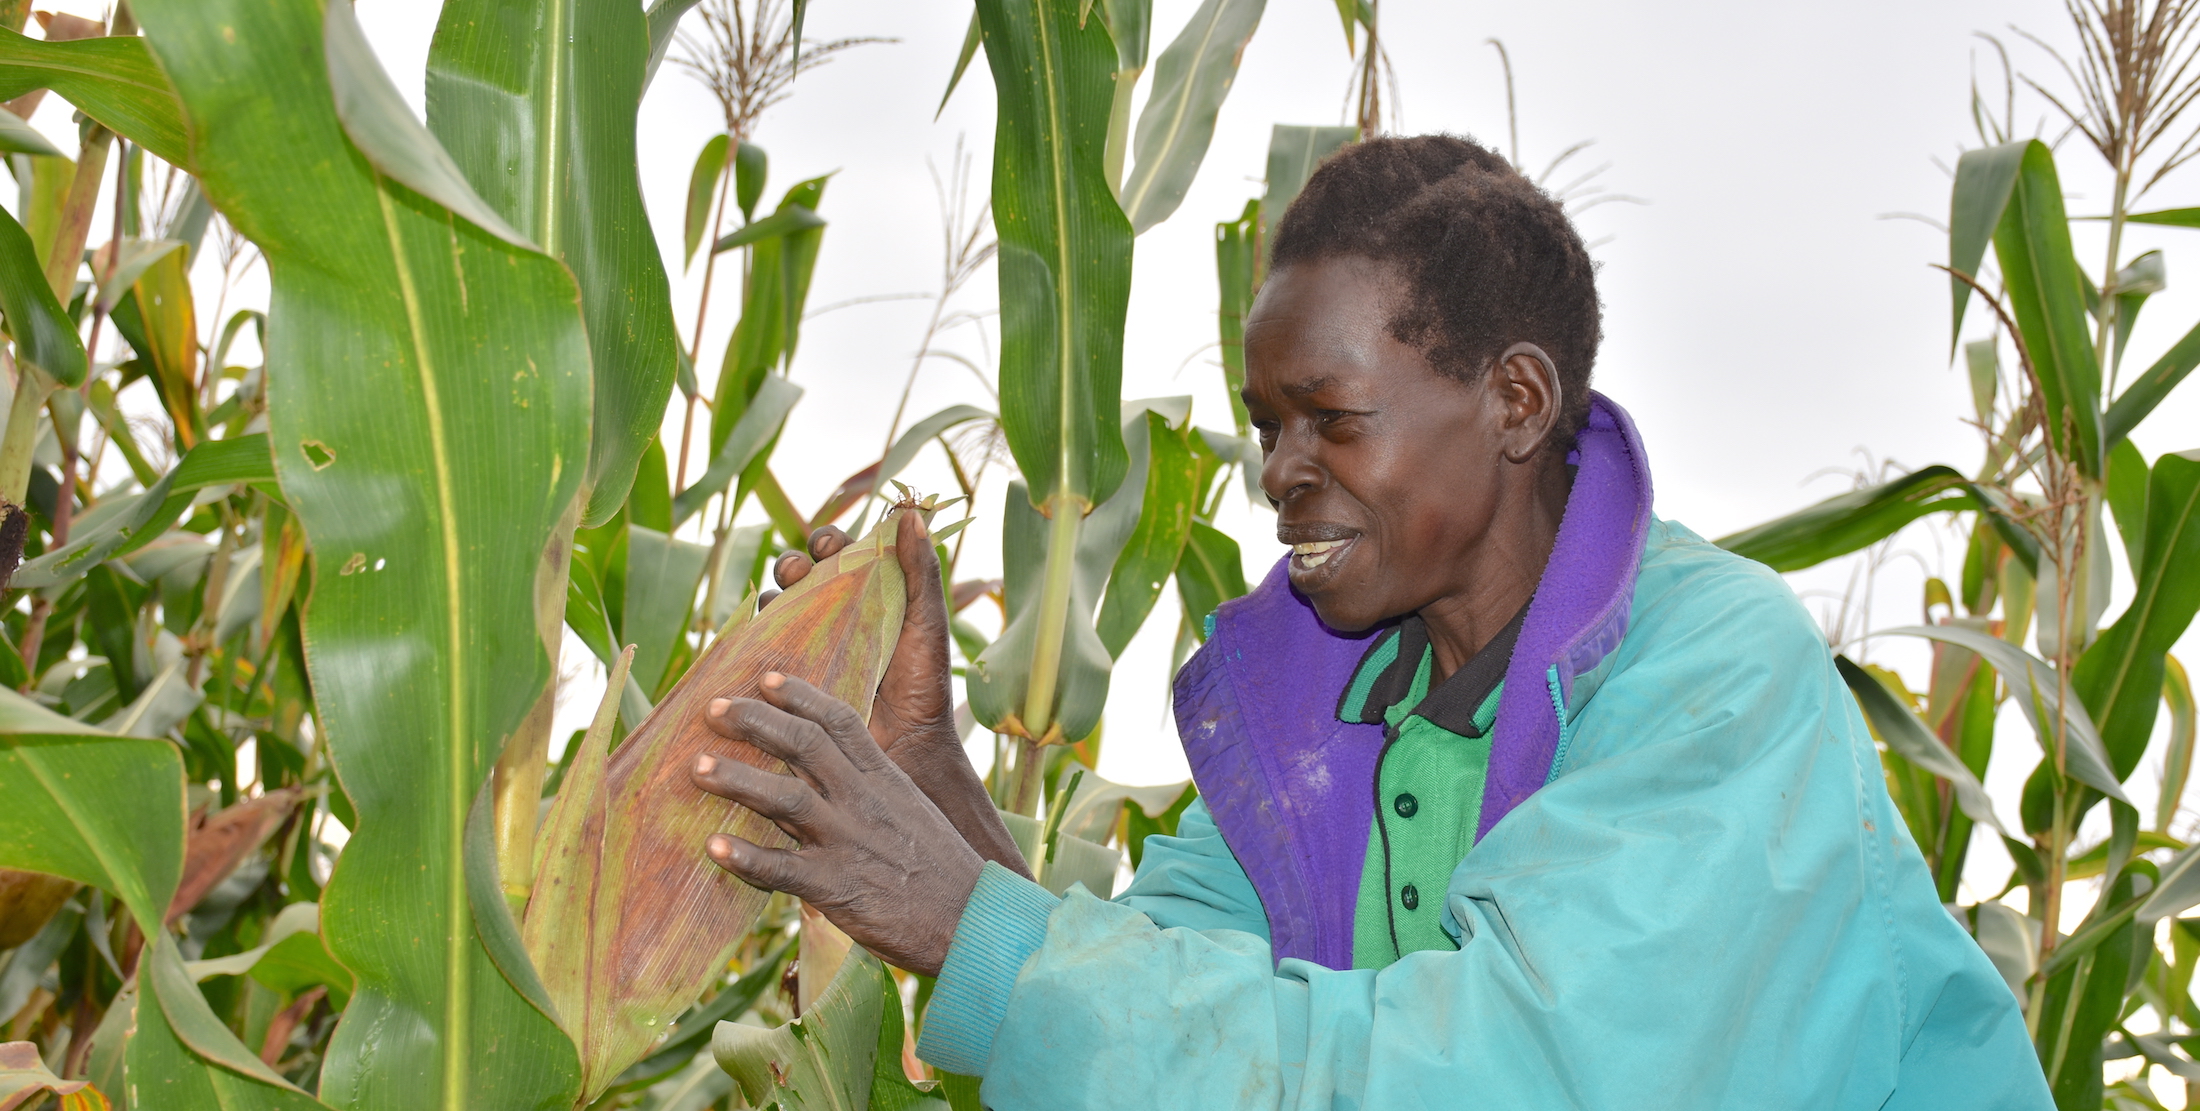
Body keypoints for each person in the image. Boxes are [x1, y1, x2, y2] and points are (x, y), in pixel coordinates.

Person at [684, 134, 2051, 1108]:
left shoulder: (1710, 680)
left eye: (1332, 420)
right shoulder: (1328, 709)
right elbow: (1162, 1012)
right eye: (1267, 424)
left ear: (1515, 403)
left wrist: (965, 912)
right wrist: (935, 790)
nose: (1279, 472)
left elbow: (1508, 1080)